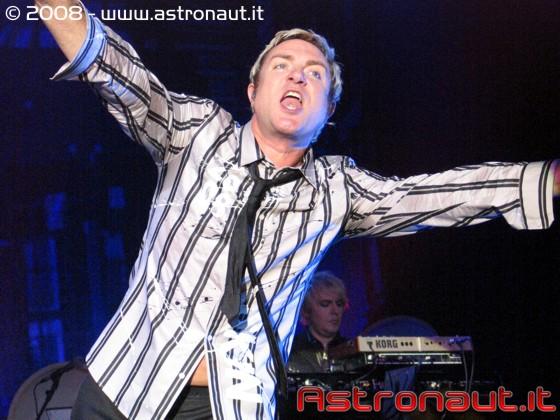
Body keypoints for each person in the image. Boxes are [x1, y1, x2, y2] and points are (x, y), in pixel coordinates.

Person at [36, 1, 560, 419]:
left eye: (314, 73)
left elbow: (429, 195)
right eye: (281, 66)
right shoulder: (195, 132)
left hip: (231, 405)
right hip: (125, 386)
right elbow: (116, 70)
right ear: (253, 91)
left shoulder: (336, 189)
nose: (297, 77)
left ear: (328, 109)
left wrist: (546, 179)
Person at [287, 271, 348, 374]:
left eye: (339, 304)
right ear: (306, 310)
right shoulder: (289, 351)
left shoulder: (352, 350)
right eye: (325, 304)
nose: (335, 311)